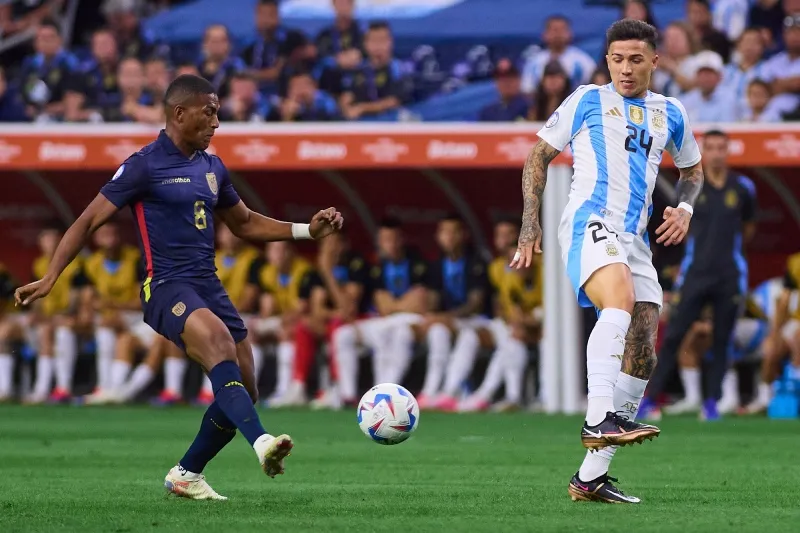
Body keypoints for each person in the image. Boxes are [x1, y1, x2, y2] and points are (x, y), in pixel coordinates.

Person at [15, 74, 343, 501]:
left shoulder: (212, 166)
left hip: (208, 285)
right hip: (165, 286)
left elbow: (243, 223)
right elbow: (87, 221)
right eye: (209, 112)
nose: (217, 122)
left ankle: (187, 473)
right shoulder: (144, 165)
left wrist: (305, 231)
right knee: (220, 344)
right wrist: (51, 276)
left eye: (219, 113)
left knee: (247, 386)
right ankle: (262, 442)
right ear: (179, 113)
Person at [512, 19, 703, 504]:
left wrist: (684, 207)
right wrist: (529, 223)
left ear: (654, 62)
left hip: (634, 238)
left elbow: (693, 170)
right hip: (588, 221)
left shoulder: (670, 112)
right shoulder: (586, 99)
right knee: (617, 300)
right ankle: (600, 416)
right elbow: (537, 157)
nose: (625, 68)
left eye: (636, 59)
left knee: (644, 348)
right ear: (607, 61)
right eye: (616, 59)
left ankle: (590, 478)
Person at [640, 130, 756, 421]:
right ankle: (650, 401)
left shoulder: (743, 188)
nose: (717, 153)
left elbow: (749, 228)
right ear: (703, 150)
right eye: (711, 148)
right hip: (695, 273)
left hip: (730, 273)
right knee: (674, 335)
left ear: (728, 151)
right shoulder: (691, 186)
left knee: (722, 339)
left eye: (721, 148)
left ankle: (712, 404)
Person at [415, 214, 490, 410]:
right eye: (444, 232)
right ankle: (430, 391)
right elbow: (431, 303)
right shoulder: (435, 265)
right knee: (437, 332)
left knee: (466, 335)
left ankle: (451, 390)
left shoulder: (476, 262)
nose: (448, 237)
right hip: (448, 321)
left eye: (453, 232)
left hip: (476, 320)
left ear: (463, 235)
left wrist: (445, 317)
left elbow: (475, 305)